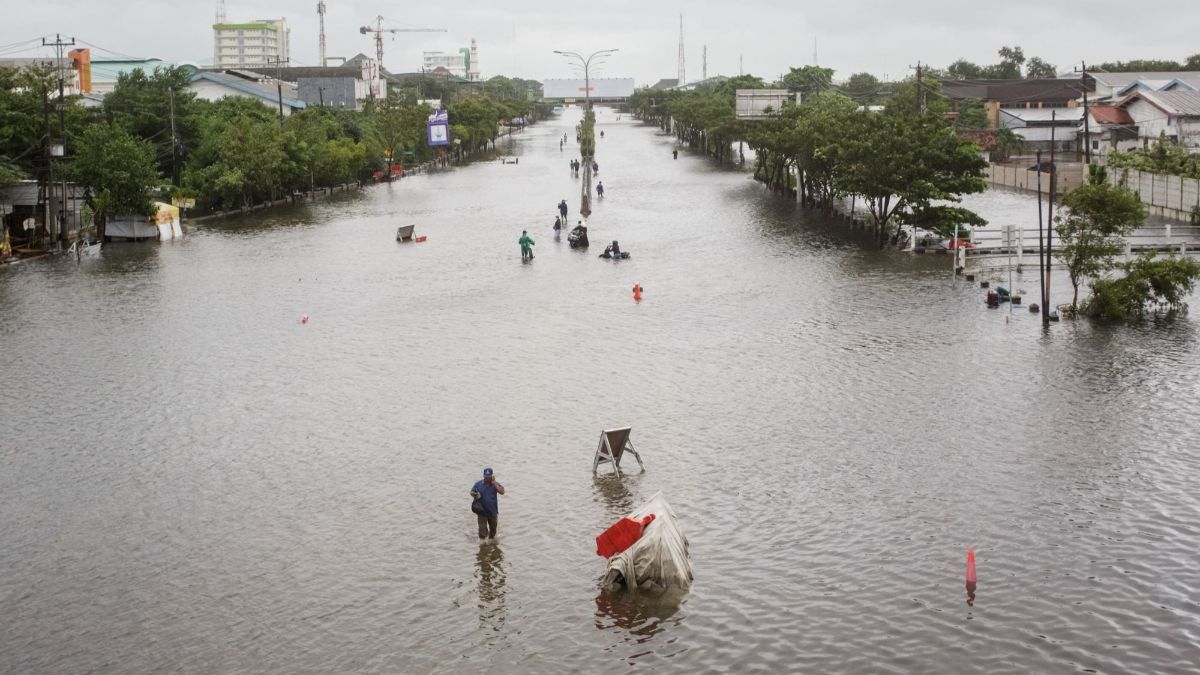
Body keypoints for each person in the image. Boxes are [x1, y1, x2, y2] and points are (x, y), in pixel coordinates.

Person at [470, 468, 505, 540]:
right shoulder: (478, 484)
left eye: (488, 477)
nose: (487, 478)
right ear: (483, 476)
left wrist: (494, 483)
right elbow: (471, 492)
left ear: (492, 476)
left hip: (493, 512)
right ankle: (483, 546)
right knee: (482, 533)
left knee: (493, 531)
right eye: (485, 476)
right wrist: (475, 494)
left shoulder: (495, 484)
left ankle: (491, 542)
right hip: (481, 511)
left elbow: (502, 492)